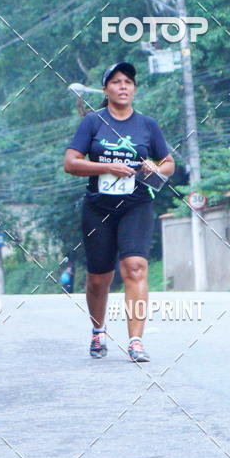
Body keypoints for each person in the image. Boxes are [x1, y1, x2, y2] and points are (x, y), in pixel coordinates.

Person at [64, 61, 174, 362]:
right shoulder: (93, 122)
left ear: (134, 89)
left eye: (128, 82)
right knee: (99, 277)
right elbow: (71, 163)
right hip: (98, 207)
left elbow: (168, 163)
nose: (123, 86)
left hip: (137, 204)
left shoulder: (147, 125)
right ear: (106, 89)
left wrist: (155, 167)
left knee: (136, 267)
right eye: (116, 82)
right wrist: (106, 167)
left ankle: (136, 340)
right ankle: (98, 331)